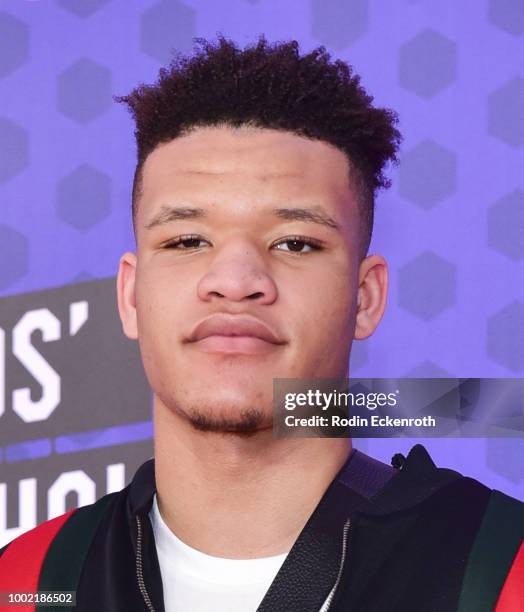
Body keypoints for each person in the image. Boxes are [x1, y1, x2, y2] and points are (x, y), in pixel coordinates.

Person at [0, 35, 522, 612]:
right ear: (130, 295)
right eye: (187, 240)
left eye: (295, 242)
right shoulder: (29, 580)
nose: (236, 278)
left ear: (366, 298)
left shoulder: (502, 566)